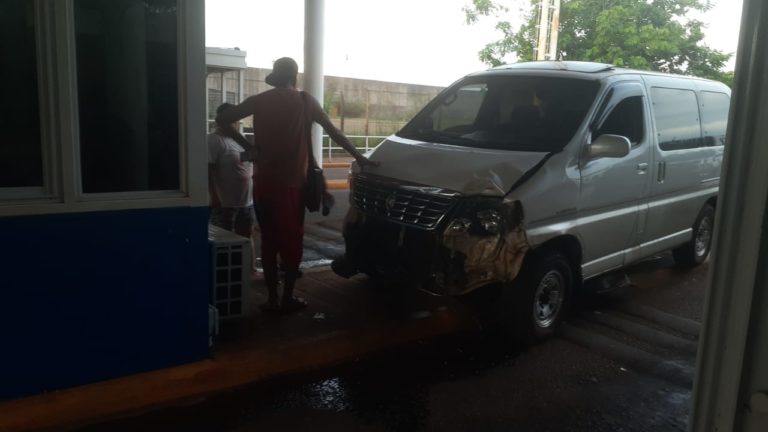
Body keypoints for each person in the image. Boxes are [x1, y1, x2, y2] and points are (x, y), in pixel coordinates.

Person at [216, 57, 378, 313]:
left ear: (275, 76)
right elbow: (334, 132)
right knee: (292, 242)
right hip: (292, 187)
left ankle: (271, 299)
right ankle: (287, 299)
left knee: (269, 240)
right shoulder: (305, 101)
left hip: (263, 185)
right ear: (295, 76)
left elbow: (223, 119)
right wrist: (360, 158)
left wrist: (250, 147)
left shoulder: (259, 101)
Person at [208, 103, 258, 271]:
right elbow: (208, 170)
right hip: (225, 203)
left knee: (247, 236)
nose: (234, 123)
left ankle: (250, 270)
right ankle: (225, 272)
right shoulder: (214, 140)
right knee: (224, 240)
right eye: (231, 119)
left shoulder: (241, 140)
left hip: (246, 201)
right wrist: (213, 196)